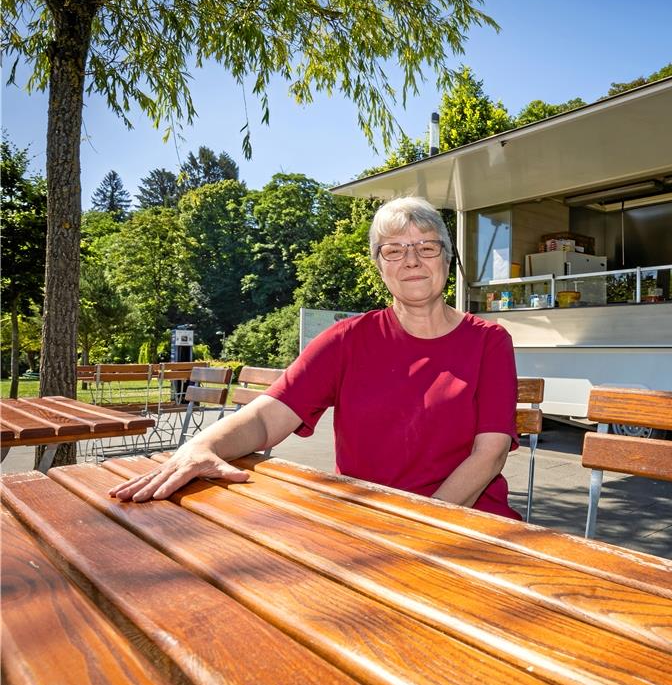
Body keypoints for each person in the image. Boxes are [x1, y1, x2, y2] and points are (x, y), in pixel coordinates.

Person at [109, 197, 521, 519]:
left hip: (464, 521)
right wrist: (200, 445)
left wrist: (418, 523)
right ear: (379, 266)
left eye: (426, 247)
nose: (411, 260)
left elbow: (490, 454)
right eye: (393, 250)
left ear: (448, 259)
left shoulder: (489, 342)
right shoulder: (347, 340)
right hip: (366, 522)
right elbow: (268, 417)